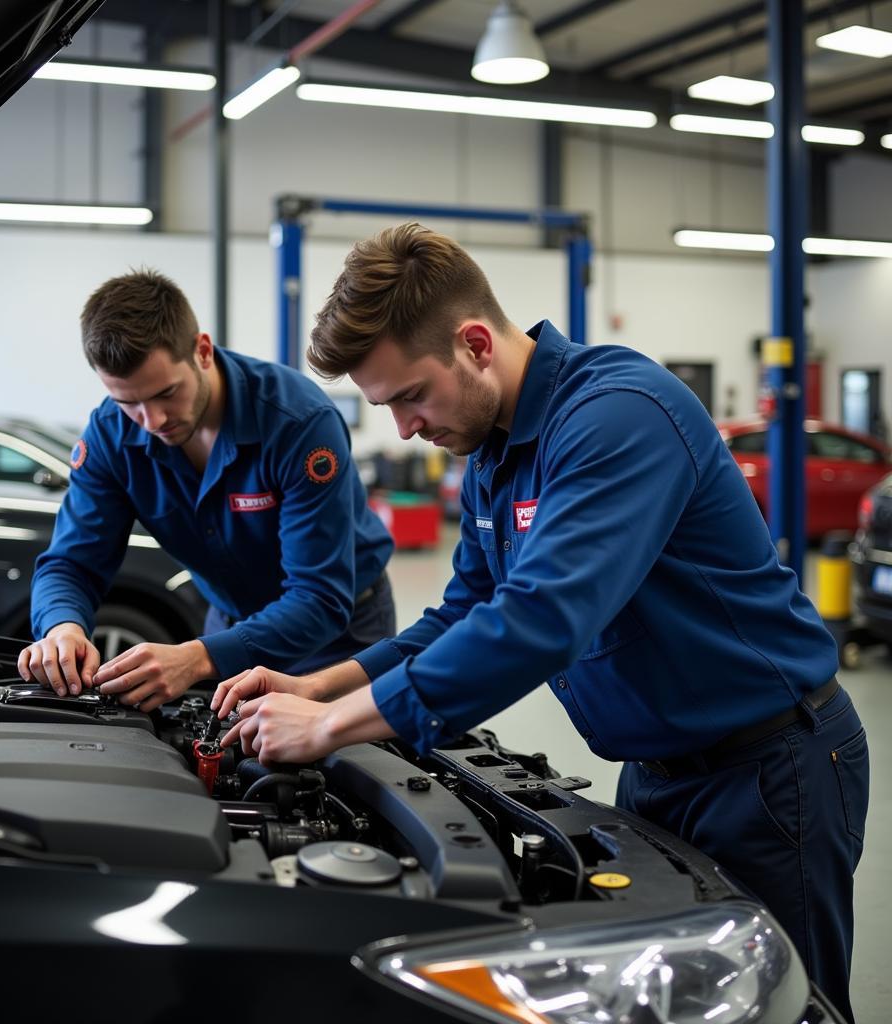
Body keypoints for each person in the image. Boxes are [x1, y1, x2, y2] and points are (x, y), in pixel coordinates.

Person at [211, 223, 868, 1022]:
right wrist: (318, 685)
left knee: (787, 1002)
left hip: (768, 769)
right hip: (658, 769)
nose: (405, 429)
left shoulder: (617, 416)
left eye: (412, 395)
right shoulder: (495, 453)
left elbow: (541, 618)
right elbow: (462, 614)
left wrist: (329, 730)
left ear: (477, 343)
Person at [18, 268, 395, 712]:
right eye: (128, 402)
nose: (151, 420)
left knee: (347, 772)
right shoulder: (110, 436)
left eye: (166, 393)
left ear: (201, 351)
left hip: (338, 635)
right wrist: (62, 628)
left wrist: (198, 657)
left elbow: (318, 598)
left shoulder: (297, 424)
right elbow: (71, 563)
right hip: (230, 624)